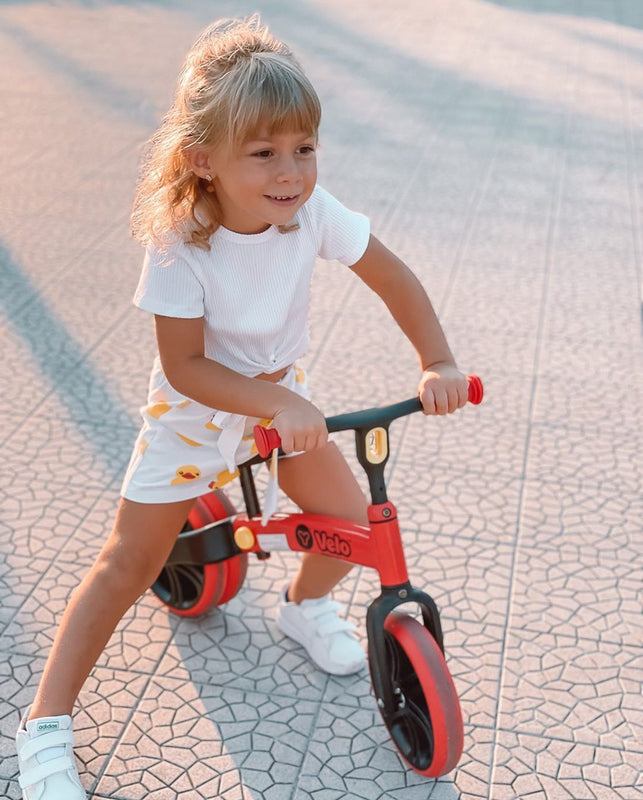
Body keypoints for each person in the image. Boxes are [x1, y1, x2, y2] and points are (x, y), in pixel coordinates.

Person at [14, 15, 470, 800]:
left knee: (351, 525)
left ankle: (303, 606)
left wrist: (436, 359)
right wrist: (274, 399)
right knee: (127, 563)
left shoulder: (312, 211)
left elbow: (392, 276)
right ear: (203, 159)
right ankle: (46, 726)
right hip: (197, 414)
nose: (289, 171)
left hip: (276, 408)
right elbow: (184, 366)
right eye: (263, 153)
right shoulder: (182, 241)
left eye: (303, 148)